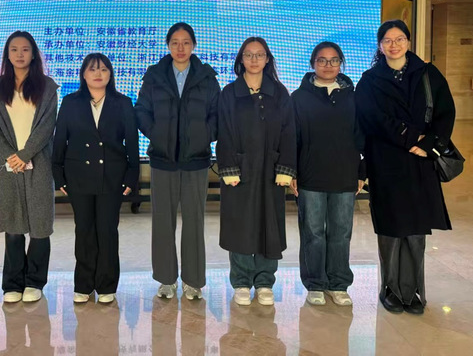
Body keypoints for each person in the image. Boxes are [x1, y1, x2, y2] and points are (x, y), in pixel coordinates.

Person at [355, 20, 454, 315]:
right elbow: (370, 117)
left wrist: (429, 144)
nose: (394, 45)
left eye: (399, 39)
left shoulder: (428, 74)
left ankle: (413, 291)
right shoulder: (370, 80)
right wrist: (411, 137)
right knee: (390, 226)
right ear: (380, 45)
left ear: (408, 42)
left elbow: (445, 113)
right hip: (385, 160)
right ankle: (391, 290)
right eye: (387, 40)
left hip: (420, 160)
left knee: (416, 227)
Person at [135, 22, 220, 300]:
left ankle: (193, 281)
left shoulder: (207, 77)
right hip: (163, 160)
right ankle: (166, 280)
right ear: (168, 45)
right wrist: (157, 134)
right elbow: (141, 110)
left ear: (193, 45)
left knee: (194, 222)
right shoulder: (154, 76)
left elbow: (217, 114)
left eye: (186, 42)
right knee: (163, 222)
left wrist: (203, 136)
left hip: (196, 161)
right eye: (175, 42)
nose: (180, 48)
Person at [52, 53, 140, 304]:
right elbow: (60, 140)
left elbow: (132, 142)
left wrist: (131, 176)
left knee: (107, 230)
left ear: (110, 74)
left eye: (103, 69)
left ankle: (106, 285)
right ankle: (83, 284)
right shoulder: (71, 102)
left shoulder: (123, 103)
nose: (98, 74)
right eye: (92, 69)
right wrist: (58, 175)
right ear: (83, 74)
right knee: (84, 230)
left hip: (112, 177)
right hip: (78, 176)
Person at [216, 36, 296, 306]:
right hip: (239, 170)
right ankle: (241, 281)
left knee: (268, 224)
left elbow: (289, 132)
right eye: (248, 55)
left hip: (271, 170)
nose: (254, 59)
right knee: (239, 225)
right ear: (241, 59)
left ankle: (264, 281)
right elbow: (224, 132)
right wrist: (228, 167)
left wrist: (285, 169)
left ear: (267, 59)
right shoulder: (229, 93)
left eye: (259, 54)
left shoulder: (280, 93)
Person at [0, 31, 58, 304]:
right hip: (8, 165)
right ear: (7, 54)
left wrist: (25, 154)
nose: (19, 54)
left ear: (34, 54)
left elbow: (47, 126)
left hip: (39, 162)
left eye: (25, 49)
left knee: (40, 225)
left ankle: (35, 282)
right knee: (13, 225)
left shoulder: (47, 87)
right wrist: (10, 156)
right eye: (14, 49)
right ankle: (13, 283)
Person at [291, 41, 365, 307]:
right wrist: (291, 172)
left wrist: (362, 171)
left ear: (341, 64)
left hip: (345, 174)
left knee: (341, 232)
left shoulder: (353, 97)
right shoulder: (299, 97)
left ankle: (338, 283)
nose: (328, 65)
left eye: (334, 60)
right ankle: (315, 283)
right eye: (322, 60)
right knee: (312, 232)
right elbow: (292, 138)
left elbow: (362, 136)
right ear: (313, 64)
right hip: (310, 175)